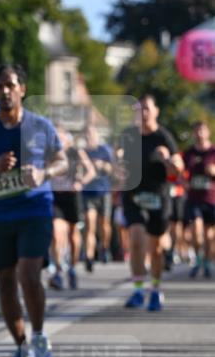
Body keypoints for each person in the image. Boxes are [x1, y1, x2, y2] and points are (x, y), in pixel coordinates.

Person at [0, 64, 67, 357]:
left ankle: (38, 336)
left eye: (9, 85)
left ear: (21, 88)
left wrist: (43, 172)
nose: (4, 92)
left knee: (28, 275)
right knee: (5, 282)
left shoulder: (40, 125)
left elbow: (61, 160)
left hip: (35, 210)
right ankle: (21, 347)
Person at [120, 95, 183, 311]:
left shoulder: (163, 137)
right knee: (136, 239)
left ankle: (155, 289)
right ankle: (138, 289)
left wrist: (167, 159)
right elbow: (116, 158)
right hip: (133, 195)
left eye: (147, 109)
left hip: (158, 196)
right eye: (139, 110)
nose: (143, 113)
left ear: (156, 111)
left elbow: (178, 168)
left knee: (155, 249)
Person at [48, 127, 95, 290]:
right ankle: (58, 271)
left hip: (72, 197)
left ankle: (73, 268)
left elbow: (91, 171)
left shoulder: (76, 152)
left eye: (61, 138)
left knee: (73, 234)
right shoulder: (50, 154)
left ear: (68, 140)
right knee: (56, 232)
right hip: (56, 197)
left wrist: (80, 183)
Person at [183, 120, 215, 278]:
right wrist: (183, 183)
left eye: (202, 130)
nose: (199, 134)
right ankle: (197, 258)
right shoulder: (189, 153)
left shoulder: (213, 152)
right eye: (196, 131)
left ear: (208, 132)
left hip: (211, 198)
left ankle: (208, 262)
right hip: (194, 198)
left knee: (209, 235)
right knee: (196, 229)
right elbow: (178, 173)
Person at [82, 124, 114, 271]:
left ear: (96, 135)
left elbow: (115, 169)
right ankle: (89, 256)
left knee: (104, 225)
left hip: (104, 191)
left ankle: (104, 247)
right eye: (87, 134)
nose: (89, 137)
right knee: (90, 224)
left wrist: (102, 165)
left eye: (92, 134)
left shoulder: (105, 150)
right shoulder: (82, 153)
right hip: (88, 193)